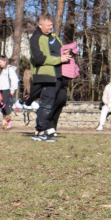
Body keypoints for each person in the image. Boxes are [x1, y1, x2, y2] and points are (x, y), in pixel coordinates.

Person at [29, 14, 69, 142]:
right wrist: (59, 59)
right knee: (47, 104)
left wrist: (66, 52)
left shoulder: (53, 36)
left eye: (51, 25)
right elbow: (39, 58)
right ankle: (40, 131)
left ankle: (49, 127)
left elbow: (59, 50)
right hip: (46, 76)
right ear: (40, 25)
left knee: (61, 98)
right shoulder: (36, 38)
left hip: (59, 75)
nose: (50, 27)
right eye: (48, 25)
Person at [0, 54, 19, 129]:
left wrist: (12, 89)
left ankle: (9, 123)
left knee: (6, 107)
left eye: (0, 62)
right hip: (2, 90)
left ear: (5, 61)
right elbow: (2, 80)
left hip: (7, 90)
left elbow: (14, 79)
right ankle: (4, 123)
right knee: (3, 107)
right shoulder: (3, 70)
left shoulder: (9, 69)